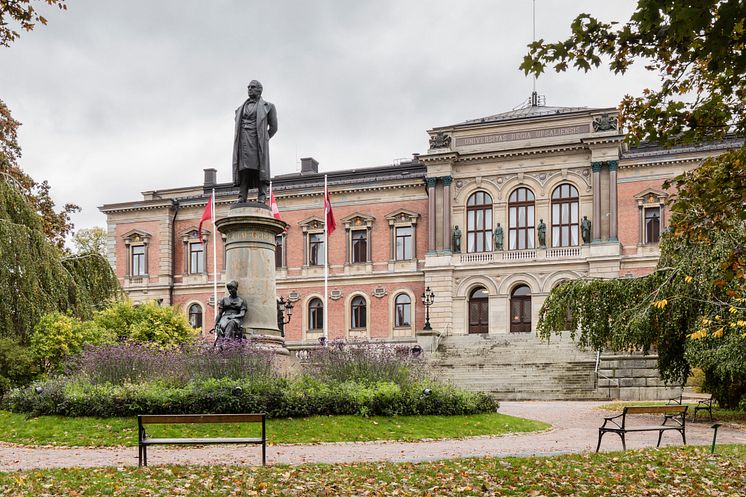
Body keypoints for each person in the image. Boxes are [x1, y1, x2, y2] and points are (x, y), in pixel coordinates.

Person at [232, 80, 278, 204]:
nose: (249, 89)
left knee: (260, 168)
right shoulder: (239, 109)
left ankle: (262, 196)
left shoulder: (269, 107)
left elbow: (274, 127)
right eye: (248, 87)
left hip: (258, 142)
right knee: (244, 169)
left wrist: (264, 138)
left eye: (252, 87)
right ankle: (242, 196)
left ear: (259, 90)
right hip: (243, 142)